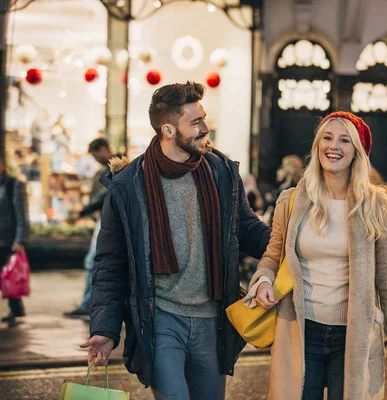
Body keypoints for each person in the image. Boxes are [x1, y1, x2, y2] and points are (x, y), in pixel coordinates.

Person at [80, 81, 271, 400]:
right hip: (161, 319)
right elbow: (111, 264)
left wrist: (295, 246)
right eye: (195, 122)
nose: (205, 128)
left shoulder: (221, 171)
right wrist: (105, 328)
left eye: (204, 118)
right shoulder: (129, 186)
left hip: (213, 318)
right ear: (168, 129)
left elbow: (247, 230)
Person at [246, 111, 387, 399]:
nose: (334, 146)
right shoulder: (292, 201)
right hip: (301, 329)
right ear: (317, 146)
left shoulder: (375, 206)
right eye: (327, 137)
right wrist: (262, 281)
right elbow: (272, 257)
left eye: (344, 140)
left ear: (357, 151)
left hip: (353, 335)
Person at [64, 138, 114, 319]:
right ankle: (92, 304)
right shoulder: (111, 168)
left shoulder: (114, 168)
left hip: (107, 221)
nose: (94, 158)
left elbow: (102, 198)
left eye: (95, 154)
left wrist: (81, 213)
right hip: (107, 220)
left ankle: (88, 304)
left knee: (93, 262)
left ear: (102, 149)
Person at [0, 155, 29, 322]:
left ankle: (16, 307)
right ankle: (16, 308)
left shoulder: (13, 184)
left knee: (8, 275)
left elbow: (22, 214)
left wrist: (20, 239)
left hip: (7, 239)